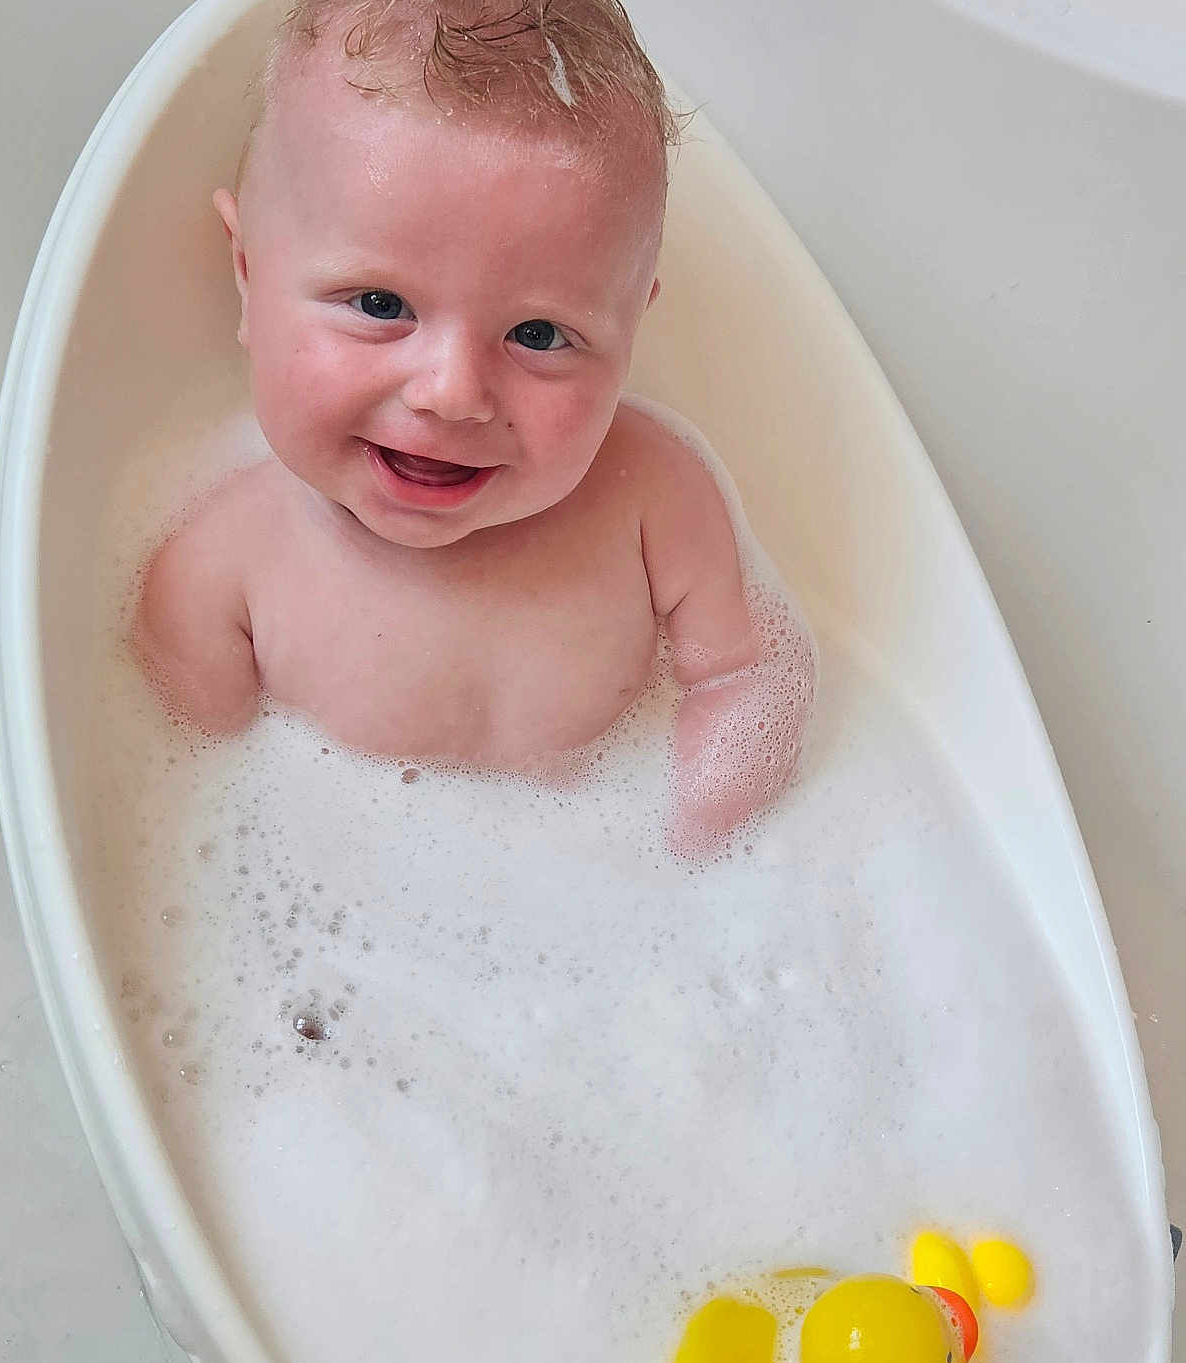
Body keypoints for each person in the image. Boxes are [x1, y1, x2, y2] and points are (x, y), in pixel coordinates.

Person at [136, 0, 813, 852]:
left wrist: (702, 841)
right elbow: (185, 791)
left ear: (632, 328)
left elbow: (748, 673)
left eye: (539, 335)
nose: (452, 394)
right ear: (248, 276)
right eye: (381, 305)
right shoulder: (218, 574)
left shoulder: (654, 497)